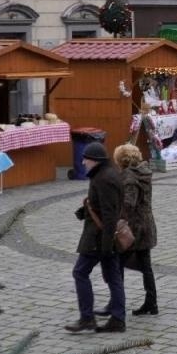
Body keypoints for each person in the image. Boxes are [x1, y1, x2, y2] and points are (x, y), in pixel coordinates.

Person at [66, 141, 127, 333]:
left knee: (80, 272)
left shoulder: (104, 179)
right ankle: (117, 318)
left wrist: (106, 245)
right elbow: (105, 207)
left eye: (86, 159)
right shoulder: (107, 174)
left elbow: (109, 214)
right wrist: (85, 211)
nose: (83, 162)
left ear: (95, 161)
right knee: (113, 276)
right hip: (105, 237)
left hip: (99, 238)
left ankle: (87, 318)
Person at [113, 143, 159, 317]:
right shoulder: (144, 173)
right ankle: (151, 302)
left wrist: (116, 216)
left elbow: (128, 205)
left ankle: (118, 305)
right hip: (147, 225)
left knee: (118, 264)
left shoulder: (129, 178)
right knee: (146, 266)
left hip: (133, 228)